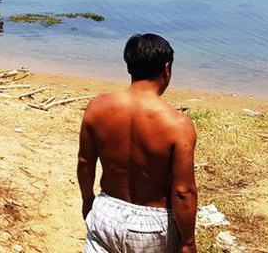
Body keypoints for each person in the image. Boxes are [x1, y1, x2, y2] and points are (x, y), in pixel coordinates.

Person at [77, 34, 197, 253]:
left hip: (106, 212)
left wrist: (87, 201)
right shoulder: (177, 124)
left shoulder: (97, 107)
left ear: (130, 67)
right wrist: (188, 242)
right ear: (167, 69)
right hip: (153, 226)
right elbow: (183, 191)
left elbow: (85, 162)